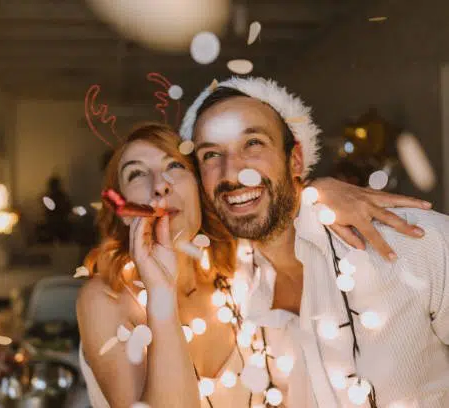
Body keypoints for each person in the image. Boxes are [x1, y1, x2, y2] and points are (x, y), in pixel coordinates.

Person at [76, 122, 429, 407]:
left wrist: (321, 190)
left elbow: (287, 211)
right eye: (137, 174)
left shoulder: (240, 270)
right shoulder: (104, 298)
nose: (160, 187)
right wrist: (160, 293)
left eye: (174, 167)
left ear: (201, 190)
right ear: (121, 211)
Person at [180, 76, 449, 407]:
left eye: (253, 144)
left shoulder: (411, 242)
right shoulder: (227, 290)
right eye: (211, 155)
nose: (233, 171)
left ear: (295, 159)